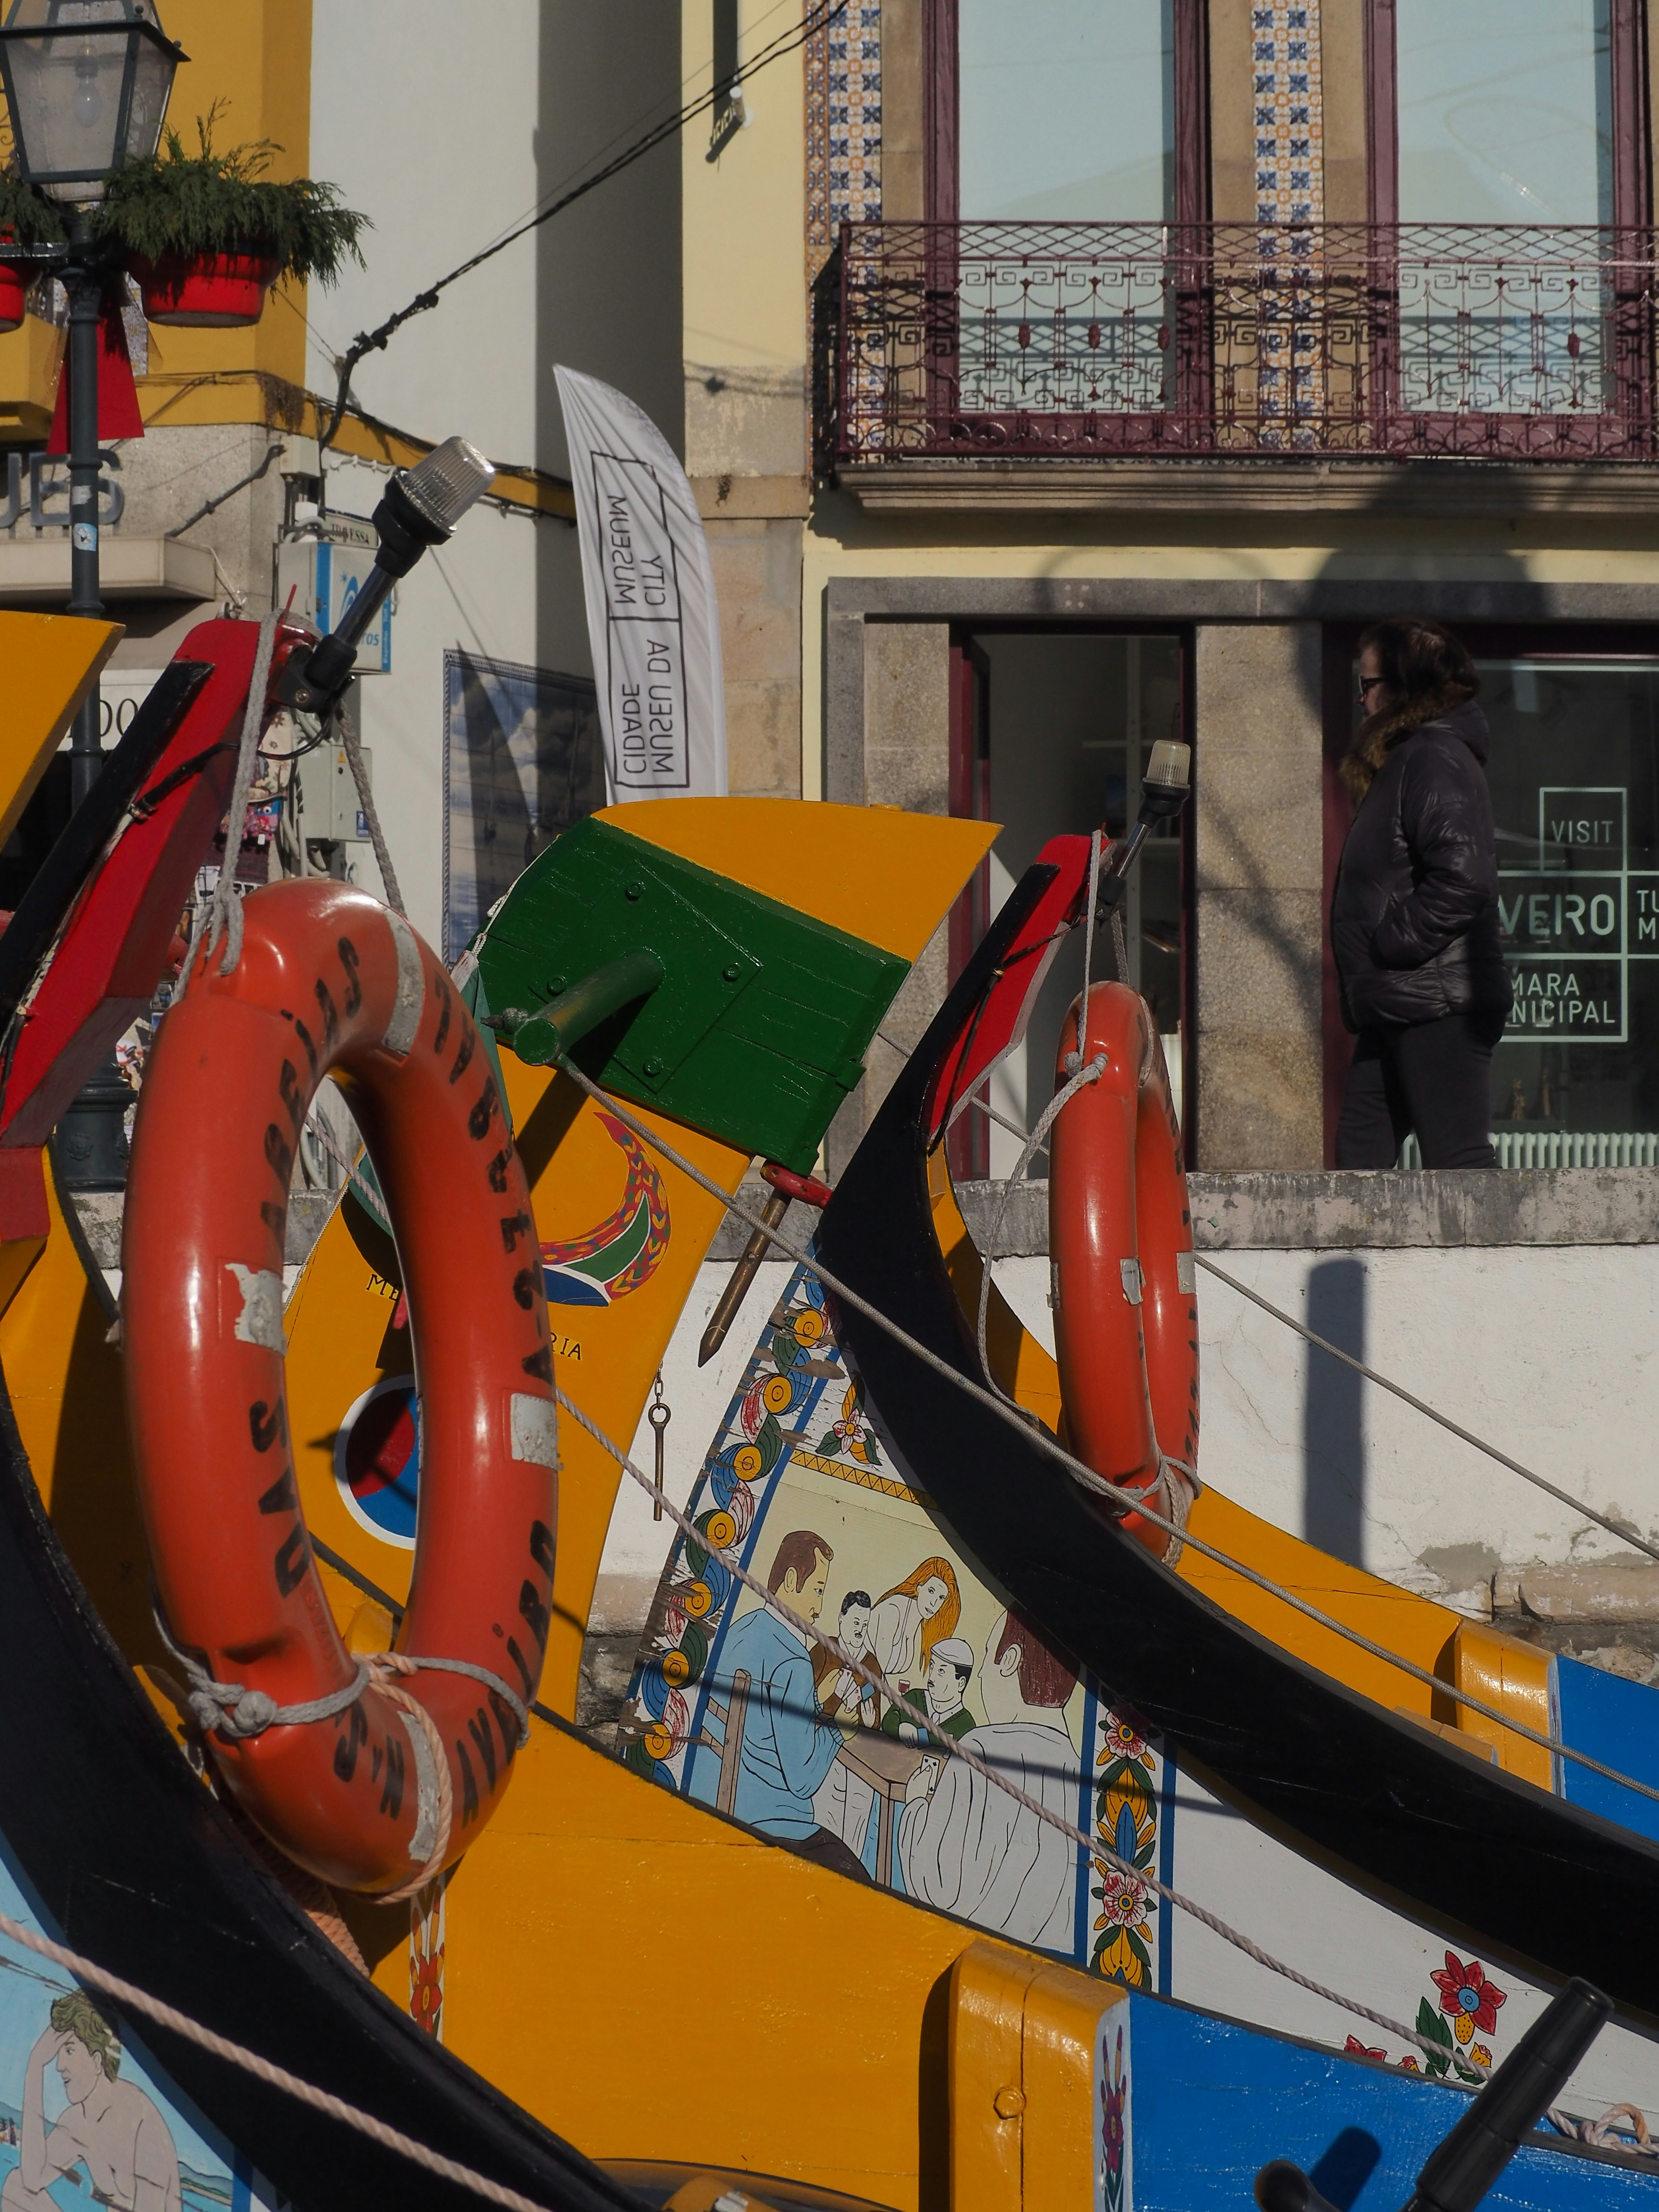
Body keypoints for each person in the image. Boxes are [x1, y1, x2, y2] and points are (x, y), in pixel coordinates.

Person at [1331, 618, 1511, 1169]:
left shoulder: (1432, 755)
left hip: (1436, 1002)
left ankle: (1494, 1261)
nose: (1360, 701)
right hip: (1400, 1001)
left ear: (1402, 688)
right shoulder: (1410, 759)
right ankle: (1356, 1259)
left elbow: (1464, 877)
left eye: (1366, 685)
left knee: (1458, 1166)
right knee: (1358, 1169)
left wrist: (1392, 944)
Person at [894, 1609, 1082, 1950]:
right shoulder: (1079, 1770)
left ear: (1009, 1660)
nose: (980, 1675)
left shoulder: (981, 1748)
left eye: (984, 1660)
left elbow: (937, 1887)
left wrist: (917, 1805)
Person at [687, 1529, 867, 1881]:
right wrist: (838, 1731)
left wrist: (814, 1701)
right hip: (775, 1826)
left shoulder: (740, 1630)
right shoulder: (794, 1661)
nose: (818, 1608)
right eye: (817, 1591)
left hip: (715, 1805)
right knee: (863, 1885)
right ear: (790, 1581)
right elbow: (802, 1781)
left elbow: (762, 1724)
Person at [5, 1992, 180, 2212]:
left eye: (69, 2051)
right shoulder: (78, 2122)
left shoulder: (141, 2121)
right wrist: (36, 2065)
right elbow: (30, 2180)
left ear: (97, 2060)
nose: (59, 2066)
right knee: (15, 2186)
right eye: (57, 2053)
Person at [866, 1555, 962, 1714]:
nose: (934, 1603)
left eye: (941, 1598)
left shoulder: (918, 1626)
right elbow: (878, 1676)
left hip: (873, 1693)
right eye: (931, 1591)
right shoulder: (893, 1610)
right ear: (919, 1587)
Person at [882, 1637, 977, 1747]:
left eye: (941, 1671)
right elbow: (889, 1720)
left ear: (960, 1683)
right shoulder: (915, 1698)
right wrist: (900, 1728)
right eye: (932, 1667)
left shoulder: (966, 1724)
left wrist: (919, 1735)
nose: (931, 1679)